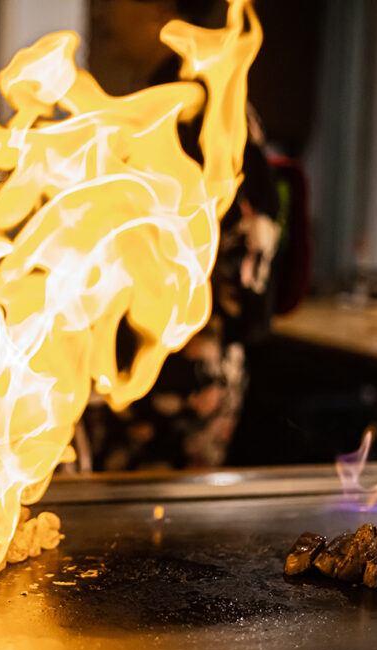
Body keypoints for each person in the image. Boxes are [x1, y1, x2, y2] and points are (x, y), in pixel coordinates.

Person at [82, 0, 281, 469]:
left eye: (109, 3)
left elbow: (242, 247)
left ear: (157, 6)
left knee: (145, 530)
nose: (99, 14)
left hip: (182, 369)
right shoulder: (161, 96)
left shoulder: (196, 105)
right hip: (166, 363)